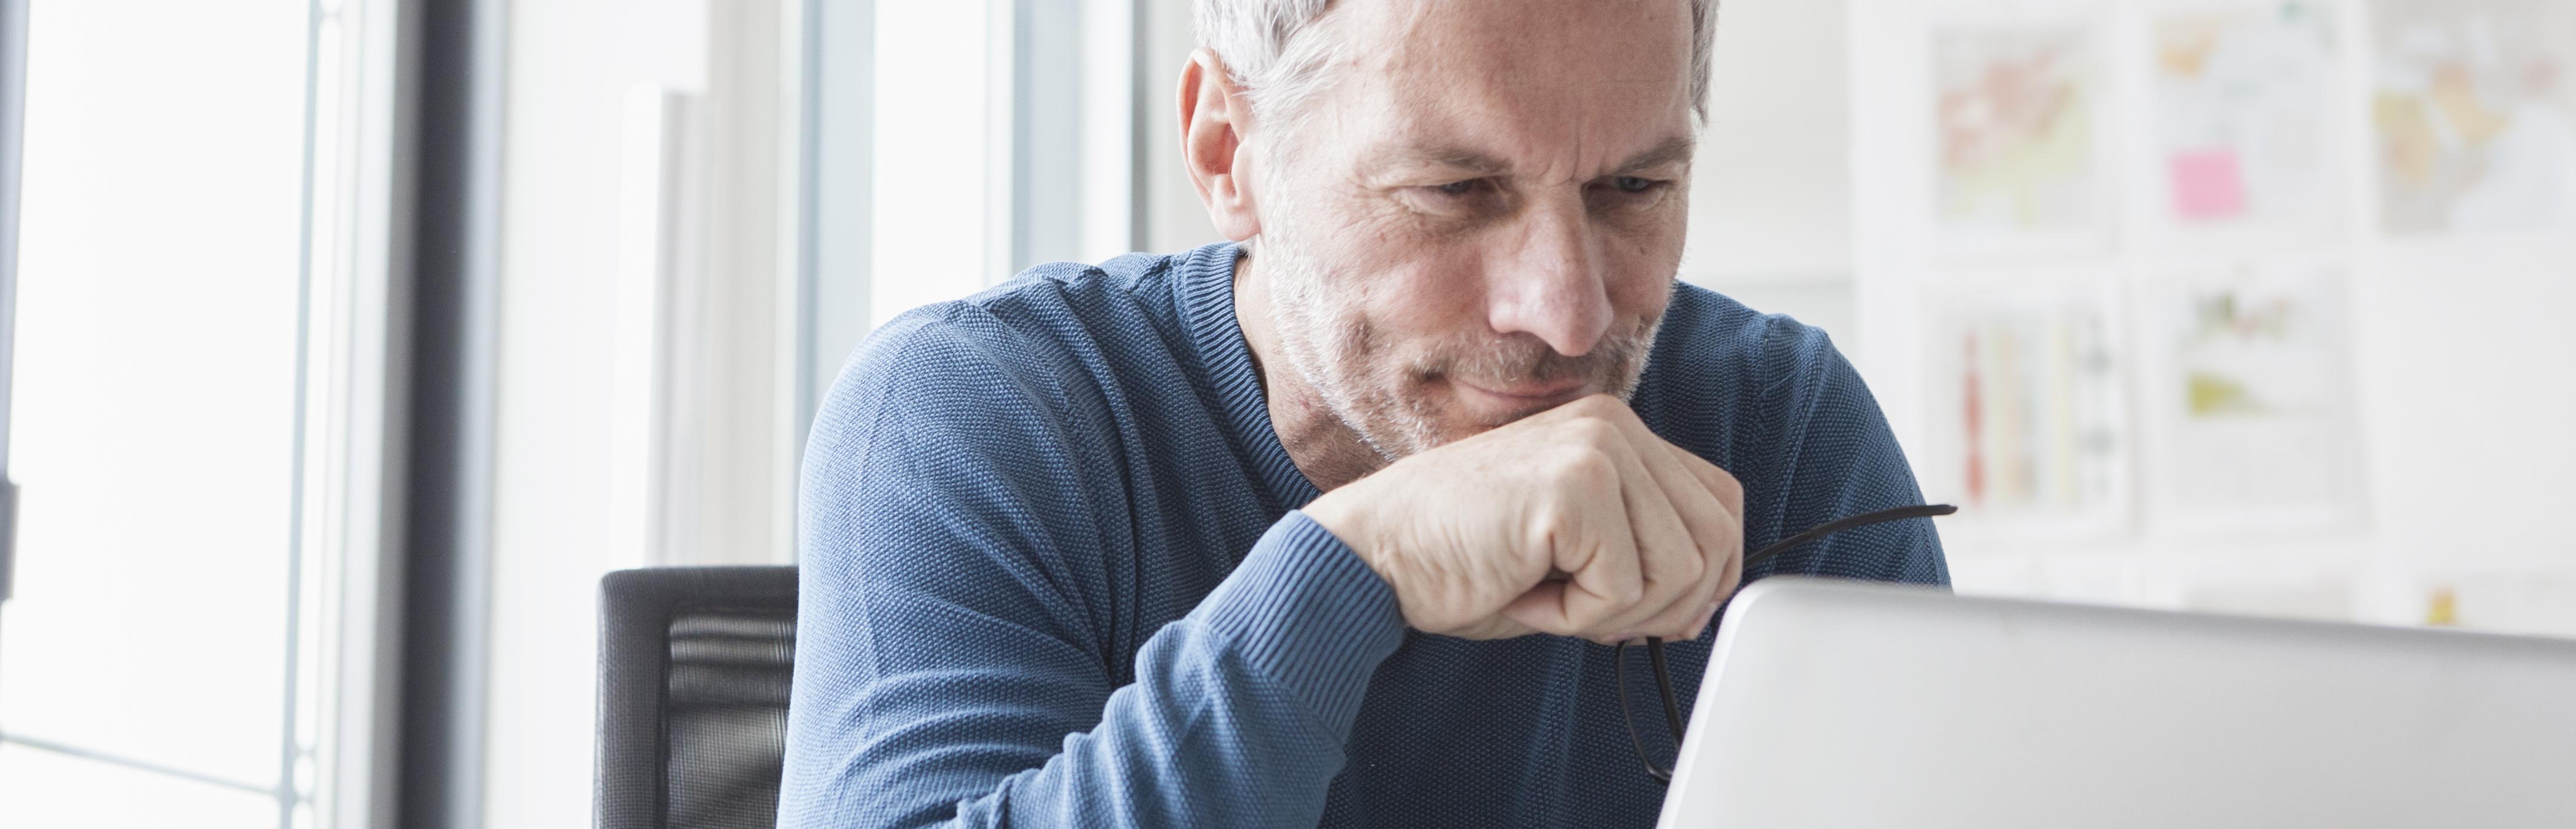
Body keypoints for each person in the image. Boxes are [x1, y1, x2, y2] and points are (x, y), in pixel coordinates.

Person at [780, 0, 1948, 825]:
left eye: (1633, 188)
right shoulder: (977, 417)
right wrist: (1353, 566)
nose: (1570, 314)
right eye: (1454, 190)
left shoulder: (1787, 429)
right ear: (1228, 148)